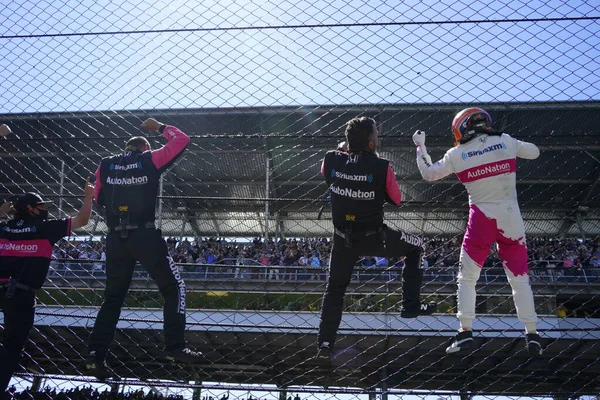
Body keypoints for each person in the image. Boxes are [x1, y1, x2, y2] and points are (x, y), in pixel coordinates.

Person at [412, 107, 543, 356]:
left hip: (481, 219)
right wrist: (508, 145)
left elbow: (429, 174)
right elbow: (534, 152)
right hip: (510, 218)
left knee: (467, 278)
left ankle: (465, 331)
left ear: (460, 128)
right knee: (519, 278)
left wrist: (421, 146)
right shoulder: (505, 141)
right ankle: (532, 333)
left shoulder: (457, 153)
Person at [85, 118, 202, 380]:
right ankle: (175, 345)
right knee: (174, 288)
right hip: (144, 235)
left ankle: (95, 354)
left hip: (115, 238)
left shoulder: (105, 164)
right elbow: (182, 140)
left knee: (112, 299)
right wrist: (160, 127)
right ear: (146, 147)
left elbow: (98, 198)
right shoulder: (150, 159)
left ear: (126, 147)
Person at [316, 117, 435, 360]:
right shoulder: (382, 167)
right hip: (374, 238)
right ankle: (410, 306)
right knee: (416, 247)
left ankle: (325, 343)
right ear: (371, 144)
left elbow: (326, 173)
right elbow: (397, 199)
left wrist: (345, 156)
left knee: (335, 290)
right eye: (377, 136)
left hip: (342, 239)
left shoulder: (331, 159)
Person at [0, 154, 94, 393]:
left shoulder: (3, 227)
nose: (45, 209)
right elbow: (82, 219)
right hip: (21, 295)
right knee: (12, 347)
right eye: (41, 205)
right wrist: (88, 196)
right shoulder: (46, 227)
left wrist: (2, 213)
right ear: (30, 209)